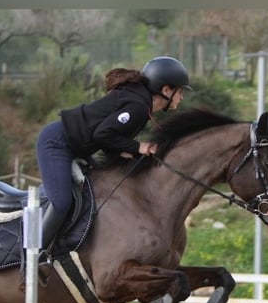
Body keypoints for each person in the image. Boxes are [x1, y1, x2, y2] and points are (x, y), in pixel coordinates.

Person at [35, 56, 191, 258]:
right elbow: (103, 134)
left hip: (77, 146)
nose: (182, 98)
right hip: (57, 143)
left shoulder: (140, 103)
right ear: (166, 90)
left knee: (97, 191)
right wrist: (138, 147)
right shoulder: (138, 107)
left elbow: (108, 137)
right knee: (62, 202)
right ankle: (35, 255)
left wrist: (124, 150)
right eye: (180, 91)